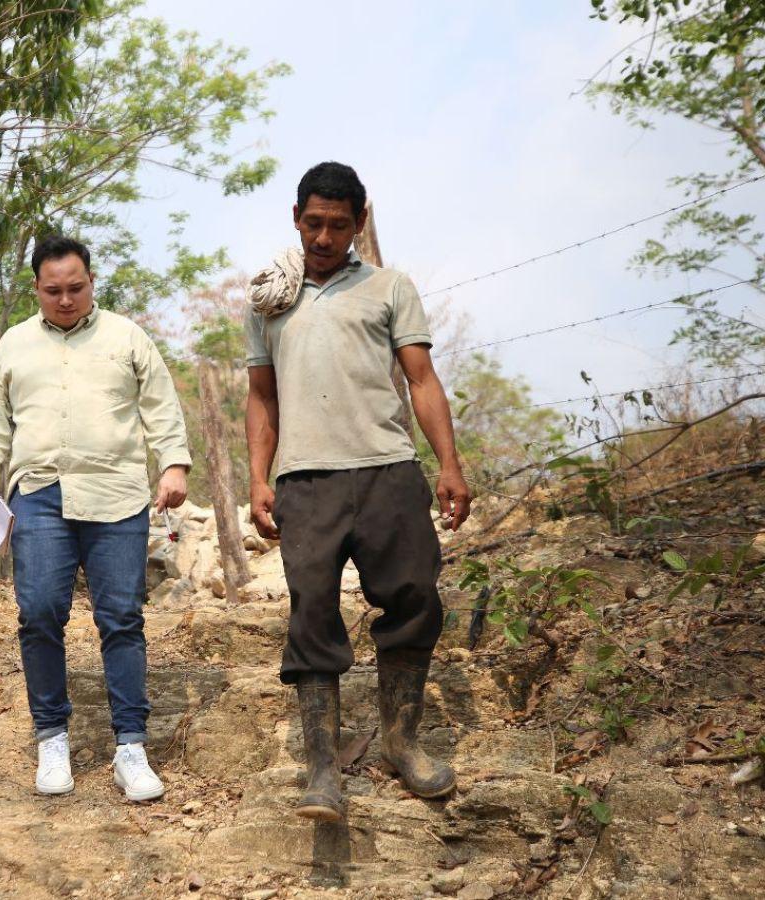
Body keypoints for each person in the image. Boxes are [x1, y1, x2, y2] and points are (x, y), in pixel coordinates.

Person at [244, 162, 472, 821]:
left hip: (386, 470)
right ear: (295, 218)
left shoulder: (390, 287)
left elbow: (422, 381)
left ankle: (402, 742)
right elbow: (261, 398)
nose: (323, 236)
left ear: (359, 223)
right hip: (304, 480)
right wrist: (259, 477)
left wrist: (449, 463)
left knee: (413, 597)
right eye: (313, 223)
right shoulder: (270, 299)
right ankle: (322, 769)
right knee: (311, 612)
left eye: (338, 225)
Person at [0, 234, 191, 801]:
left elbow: (161, 406)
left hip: (116, 492)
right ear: (36, 289)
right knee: (39, 611)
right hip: (39, 491)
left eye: (76, 288)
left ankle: (131, 748)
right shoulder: (14, 345)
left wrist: (174, 467)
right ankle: (52, 740)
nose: (66, 300)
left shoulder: (127, 337)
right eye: (53, 291)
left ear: (92, 282)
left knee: (121, 617)